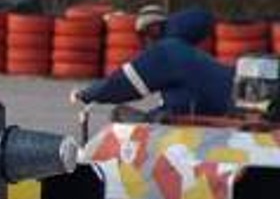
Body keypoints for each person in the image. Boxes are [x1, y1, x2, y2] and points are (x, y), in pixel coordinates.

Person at [73, 6, 233, 120]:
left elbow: (123, 84)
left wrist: (88, 94)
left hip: (206, 124)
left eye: (144, 35)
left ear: (153, 30)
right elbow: (182, 101)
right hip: (222, 113)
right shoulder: (189, 53)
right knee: (154, 116)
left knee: (121, 118)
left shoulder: (166, 53)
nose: (144, 42)